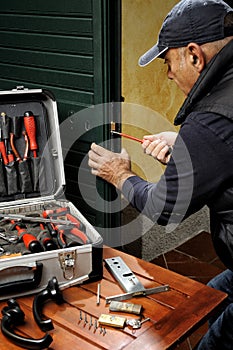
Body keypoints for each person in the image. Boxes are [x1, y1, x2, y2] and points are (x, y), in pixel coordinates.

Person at [88, 0, 233, 348]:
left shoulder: (211, 120)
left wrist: (120, 175)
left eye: (169, 62)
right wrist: (186, 147)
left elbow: (165, 208)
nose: (168, 75)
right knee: (210, 298)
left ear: (195, 56)